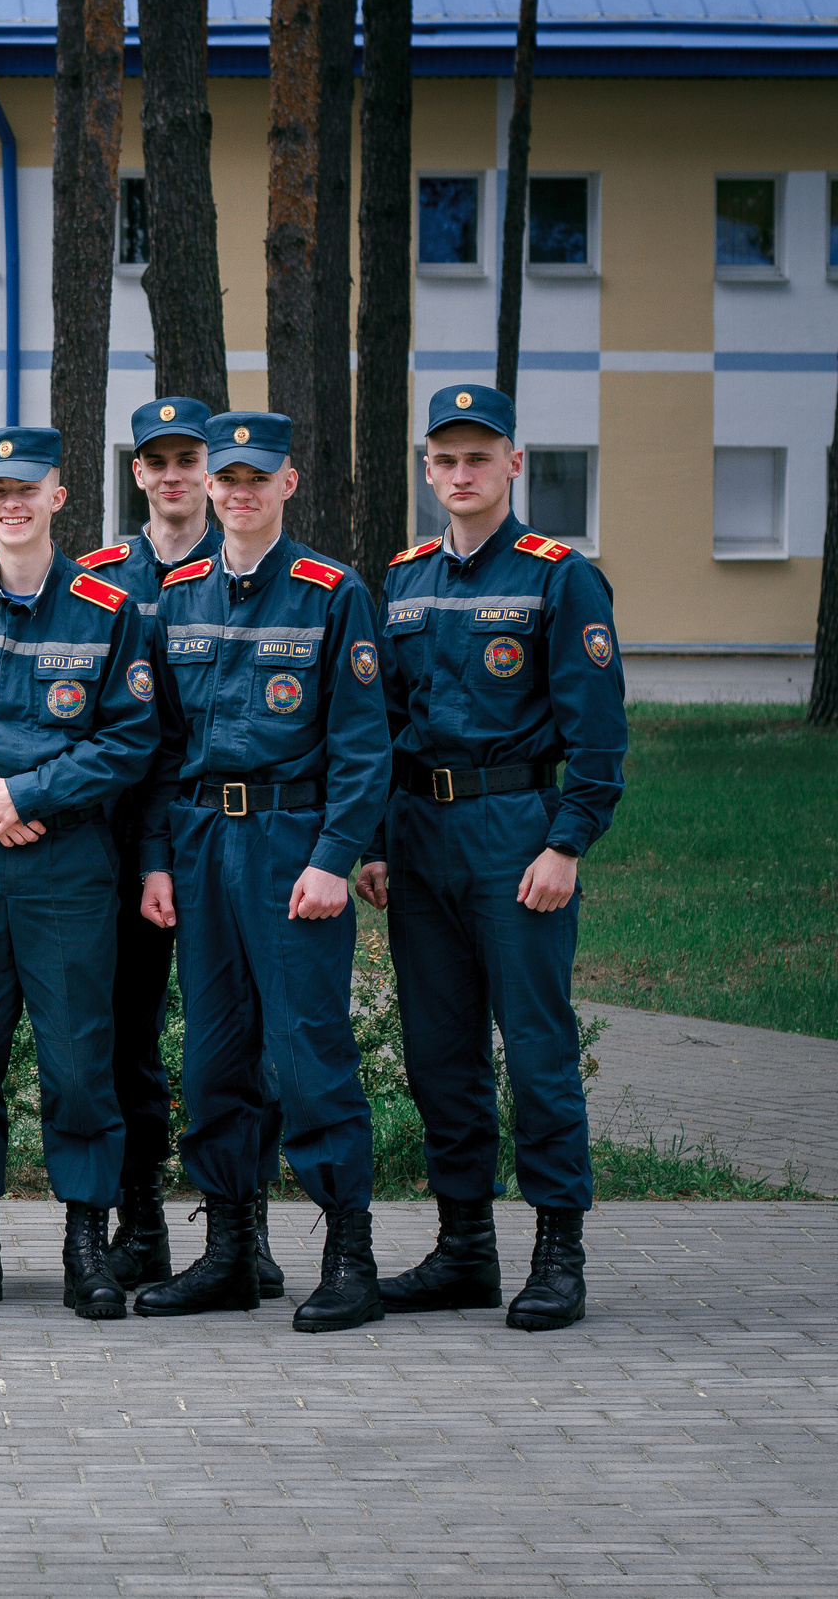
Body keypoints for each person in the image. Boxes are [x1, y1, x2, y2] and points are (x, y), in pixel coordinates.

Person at [358, 384, 626, 1333]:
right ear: (429, 471)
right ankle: (465, 1246)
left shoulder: (560, 576)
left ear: (515, 463)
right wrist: (381, 840)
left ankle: (560, 1250)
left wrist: (567, 841)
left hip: (518, 833)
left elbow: (598, 733)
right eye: (446, 459)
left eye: (481, 456)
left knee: (539, 1049)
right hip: (421, 839)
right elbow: (386, 722)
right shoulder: (407, 578)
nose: (462, 474)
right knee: (440, 1053)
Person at [135, 412, 390, 1334]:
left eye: (258, 478)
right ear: (207, 486)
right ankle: (233, 1249)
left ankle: (349, 1254)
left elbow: (364, 748)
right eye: (225, 478)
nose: (239, 493)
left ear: (287, 484)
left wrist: (334, 858)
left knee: (309, 1050)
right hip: (203, 844)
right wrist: (157, 858)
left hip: (292, 847)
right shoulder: (182, 594)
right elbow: (164, 747)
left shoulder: (331, 592)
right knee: (213, 1057)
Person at [0, 426, 154, 1318]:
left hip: (65, 865)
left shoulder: (104, 608)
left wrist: (32, 794)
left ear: (60, 495)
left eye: (30, 489)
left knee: (80, 1060)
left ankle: (86, 1241)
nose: (11, 505)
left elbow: (131, 736)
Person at [76, 398, 288, 1296]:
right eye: (155, 461)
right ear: (138, 472)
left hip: (205, 834)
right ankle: (143, 1222)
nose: (171, 475)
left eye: (185, 459)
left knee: (232, 1035)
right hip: (112, 838)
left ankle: (246, 1227)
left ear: (212, 471)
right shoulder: (96, 575)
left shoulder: (238, 565)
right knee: (125, 1036)